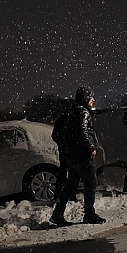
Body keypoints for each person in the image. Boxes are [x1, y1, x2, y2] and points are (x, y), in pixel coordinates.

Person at [50, 86, 106, 226]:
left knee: (70, 185)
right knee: (90, 183)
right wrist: (90, 148)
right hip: (82, 156)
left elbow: (64, 134)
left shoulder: (71, 113)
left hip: (72, 156)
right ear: (86, 98)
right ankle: (89, 214)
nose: (93, 100)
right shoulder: (83, 112)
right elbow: (82, 131)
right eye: (91, 97)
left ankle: (58, 213)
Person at [51, 98, 76, 203]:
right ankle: (72, 195)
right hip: (71, 151)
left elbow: (54, 135)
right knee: (73, 173)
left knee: (62, 173)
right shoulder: (73, 119)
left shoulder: (61, 119)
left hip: (64, 150)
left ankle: (57, 195)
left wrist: (61, 143)